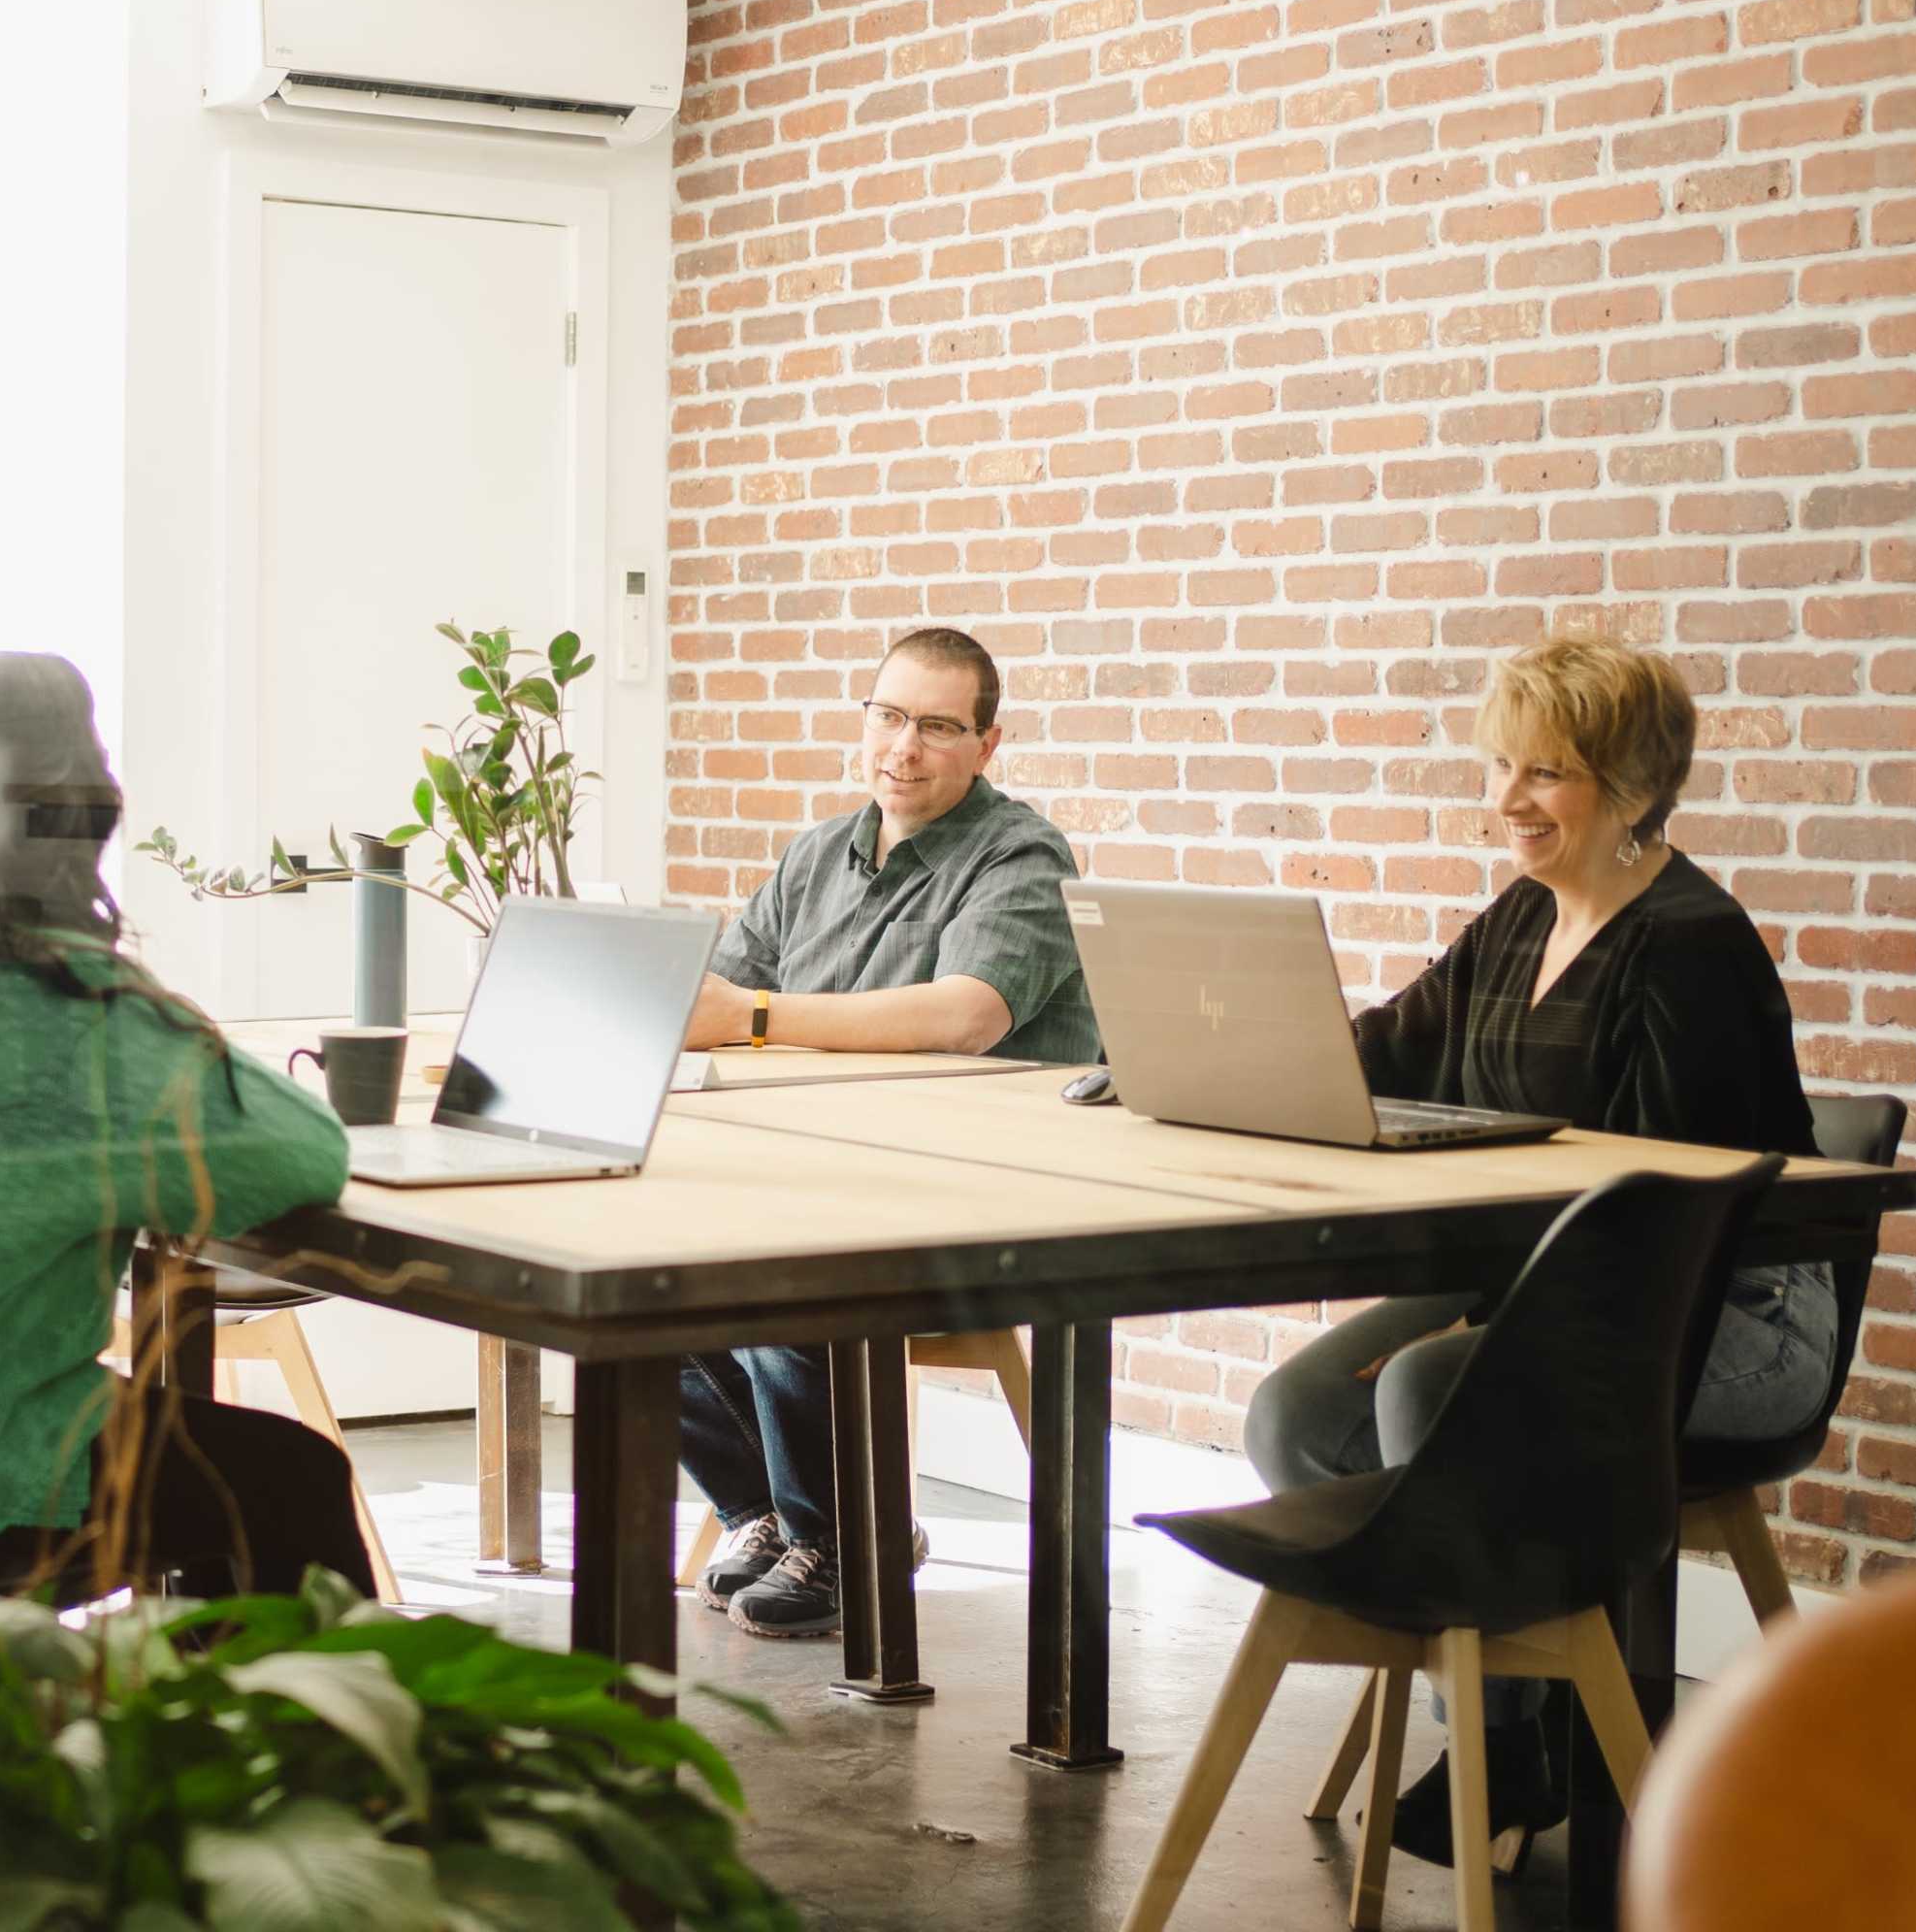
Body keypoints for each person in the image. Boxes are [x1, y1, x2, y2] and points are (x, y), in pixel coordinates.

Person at [1244, 633, 1828, 1866]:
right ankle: (1504, 1706)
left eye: (1546, 775)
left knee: (1427, 1385)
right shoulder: (1522, 915)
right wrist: (1218, 1058)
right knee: (1298, 1411)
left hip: (1730, 1311)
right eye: (1500, 766)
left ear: (1633, 789)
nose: (1508, 800)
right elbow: (1384, 1050)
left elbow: (1682, 1209)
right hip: (1542, 1286)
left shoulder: (1690, 946)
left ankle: (1517, 1746)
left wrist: (1504, 1329)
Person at [0, 651, 373, 1600]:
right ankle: (282, 1741)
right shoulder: (46, 1007)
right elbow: (303, 1151)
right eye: (90, 758)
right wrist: (126, 991)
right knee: (291, 1482)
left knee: (235, 1463)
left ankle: (197, 1724)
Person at [673, 626, 1099, 1637]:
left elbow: (966, 1016)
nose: (903, 748)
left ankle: (846, 1536)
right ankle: (772, 1515)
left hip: (981, 1186)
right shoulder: (818, 852)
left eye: (939, 727)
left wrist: (756, 1020)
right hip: (831, 1163)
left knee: (788, 1263)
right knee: (637, 1271)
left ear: (988, 745)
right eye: (889, 716)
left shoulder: (1022, 855)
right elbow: (727, 990)